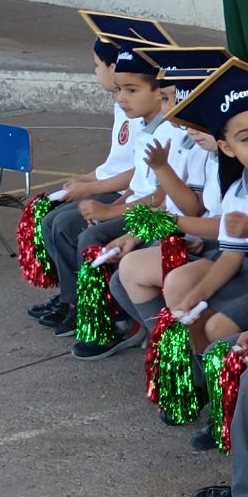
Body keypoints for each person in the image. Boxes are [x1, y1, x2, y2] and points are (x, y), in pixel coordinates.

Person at [110, 59, 248, 382]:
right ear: (227, 147)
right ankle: (198, 376)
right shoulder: (238, 189)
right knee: (189, 304)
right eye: (246, 138)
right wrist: (199, 295)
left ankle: (222, 385)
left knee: (218, 326)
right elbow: (231, 256)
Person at [42, 47, 212, 354]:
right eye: (166, 100)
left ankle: (128, 327)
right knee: (70, 227)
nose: (168, 108)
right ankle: (97, 313)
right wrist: (120, 213)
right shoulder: (175, 135)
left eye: (172, 99)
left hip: (189, 232)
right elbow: (151, 190)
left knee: (90, 237)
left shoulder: (185, 139)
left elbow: (178, 203)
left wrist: (113, 212)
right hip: (171, 222)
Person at [28, 34, 147, 328]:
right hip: (119, 191)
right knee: (48, 218)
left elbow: (137, 172)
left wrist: (91, 189)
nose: (95, 72)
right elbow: (116, 161)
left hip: (124, 194)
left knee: (65, 224)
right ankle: (71, 298)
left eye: (96, 65)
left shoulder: (143, 114)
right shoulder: (123, 107)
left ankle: (89, 306)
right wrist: (86, 178)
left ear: (113, 67)